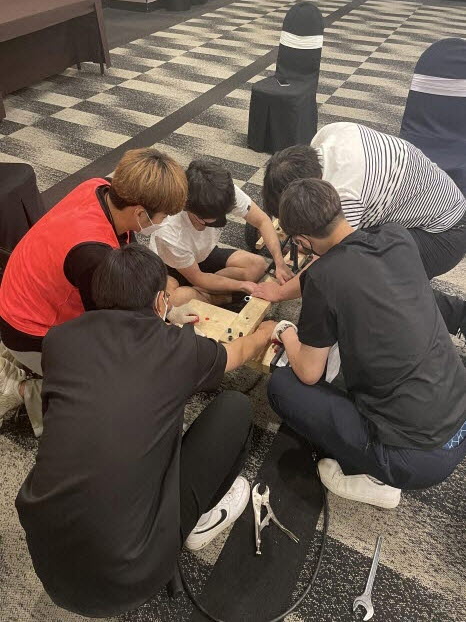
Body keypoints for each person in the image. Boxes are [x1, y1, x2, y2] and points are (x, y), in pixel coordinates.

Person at [16, 244, 277, 618]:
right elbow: (236, 353)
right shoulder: (179, 348)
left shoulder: (60, 339)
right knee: (235, 408)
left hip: (48, 561)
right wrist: (265, 332)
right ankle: (198, 523)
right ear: (159, 302)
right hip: (132, 575)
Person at [267, 179, 466, 508]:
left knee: (282, 386)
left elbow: (309, 372)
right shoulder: (397, 237)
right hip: (459, 407)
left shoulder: (322, 277)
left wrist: (285, 330)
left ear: (302, 241)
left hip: (417, 459)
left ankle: (376, 479)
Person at [0, 148, 187, 426]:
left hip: (20, 299)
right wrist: (161, 328)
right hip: (29, 332)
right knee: (123, 377)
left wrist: (165, 307)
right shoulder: (94, 256)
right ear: (140, 213)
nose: (164, 222)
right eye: (163, 216)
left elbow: (129, 252)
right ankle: (33, 391)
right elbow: (109, 327)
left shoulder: (100, 187)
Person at [259, 122, 466, 338]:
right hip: (433, 204)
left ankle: (460, 316)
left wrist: (280, 292)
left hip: (444, 234)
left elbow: (329, 265)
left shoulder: (345, 194)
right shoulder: (328, 137)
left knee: (367, 279)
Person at [150, 159, 293, 307]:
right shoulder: (169, 231)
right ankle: (219, 297)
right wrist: (242, 286)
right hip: (170, 267)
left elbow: (262, 221)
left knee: (258, 265)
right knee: (175, 300)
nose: (217, 222)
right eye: (208, 221)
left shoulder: (221, 191)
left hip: (203, 254)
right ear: (188, 208)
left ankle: (206, 295)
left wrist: (279, 262)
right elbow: (198, 278)